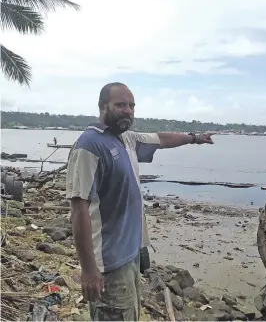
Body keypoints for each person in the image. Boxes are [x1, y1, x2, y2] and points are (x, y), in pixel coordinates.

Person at [65, 82, 214, 321]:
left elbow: (162, 139)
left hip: (130, 254)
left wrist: (194, 138)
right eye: (121, 105)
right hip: (108, 263)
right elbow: (78, 207)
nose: (128, 111)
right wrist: (89, 270)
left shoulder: (126, 139)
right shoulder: (90, 145)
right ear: (103, 106)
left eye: (132, 106)